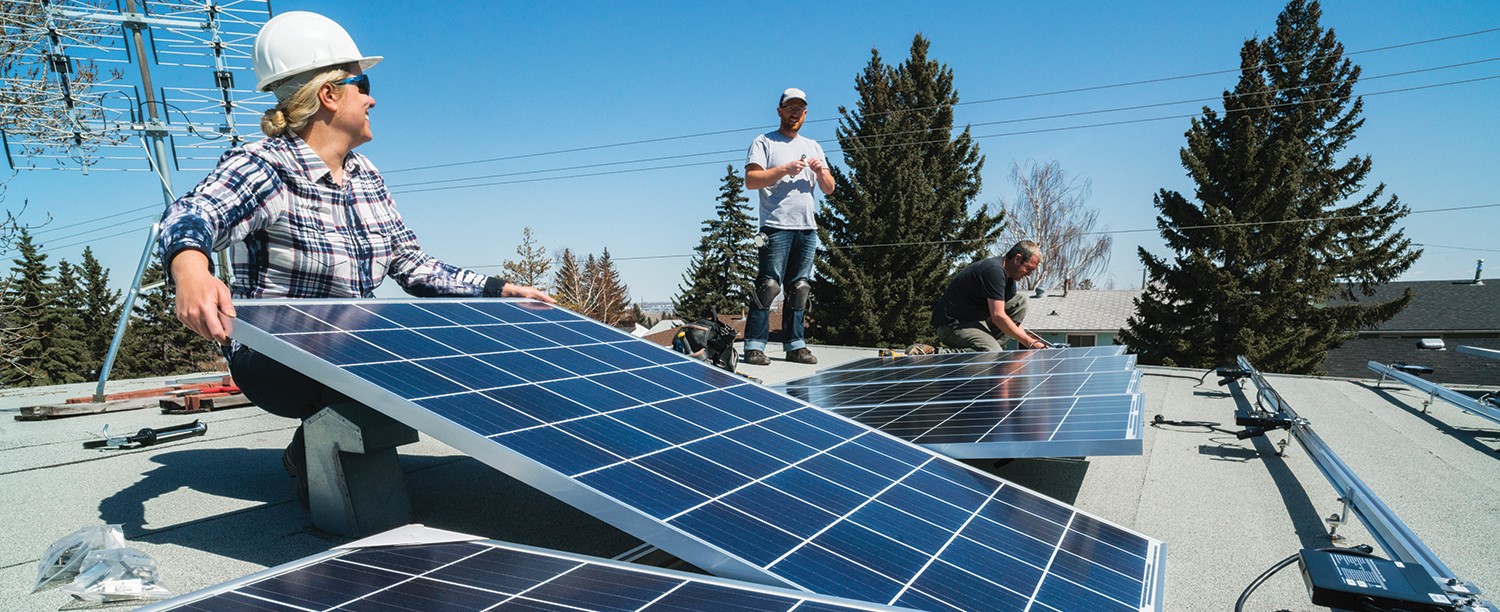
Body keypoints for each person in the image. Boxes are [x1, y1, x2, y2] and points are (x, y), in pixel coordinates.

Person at [158, 11, 551, 504]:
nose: (371, 98)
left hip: (350, 344)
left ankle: (318, 447)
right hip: (273, 357)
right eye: (361, 84)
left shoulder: (366, 175)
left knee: (437, 347)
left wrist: (497, 291)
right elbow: (192, 212)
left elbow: (412, 264)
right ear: (329, 94)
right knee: (385, 353)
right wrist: (190, 268)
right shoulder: (265, 166)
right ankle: (318, 464)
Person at [742, 88, 835, 365]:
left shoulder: (814, 146)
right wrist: (784, 169)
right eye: (790, 107)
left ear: (805, 114)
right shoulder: (764, 142)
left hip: (807, 227)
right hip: (775, 226)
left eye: (800, 108)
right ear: (780, 110)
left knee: (800, 288)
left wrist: (819, 172)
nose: (795, 112)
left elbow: (829, 189)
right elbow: (751, 179)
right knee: (768, 286)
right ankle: (754, 346)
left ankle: (795, 345)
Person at [929, 241, 1047, 352]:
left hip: (975, 321)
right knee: (992, 352)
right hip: (952, 325)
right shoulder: (994, 271)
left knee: (1020, 302)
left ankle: (992, 348)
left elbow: (1009, 320)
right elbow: (998, 316)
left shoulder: (1009, 281)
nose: (1029, 274)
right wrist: (1029, 342)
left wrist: (1031, 340)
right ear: (1017, 259)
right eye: (1029, 268)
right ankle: (935, 354)